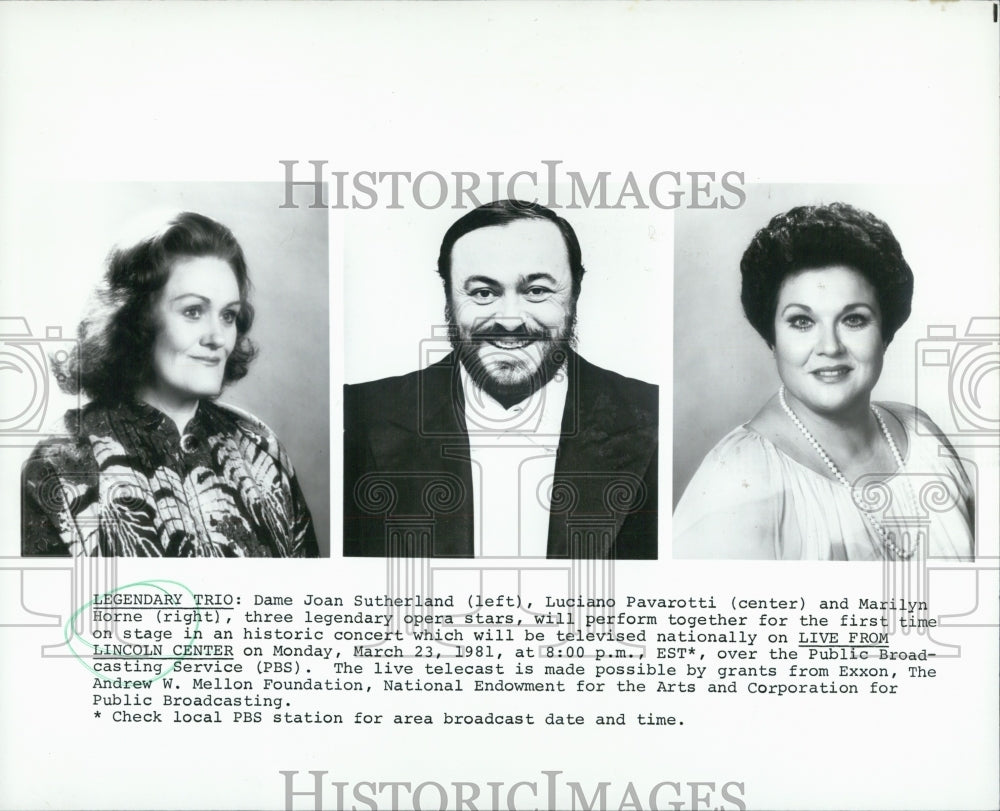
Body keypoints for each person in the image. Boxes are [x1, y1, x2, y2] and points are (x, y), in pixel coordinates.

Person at [344, 200, 658, 559]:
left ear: (576, 291)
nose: (510, 319)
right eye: (483, 293)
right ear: (448, 297)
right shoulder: (358, 415)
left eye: (537, 291)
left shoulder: (652, 415)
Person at [673, 202, 974, 560]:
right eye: (802, 322)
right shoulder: (738, 479)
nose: (829, 347)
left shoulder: (923, 436)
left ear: (885, 332)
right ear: (772, 337)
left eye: (854, 320)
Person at [21, 211, 319, 557]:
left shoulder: (260, 446)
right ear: (136, 318)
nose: (217, 337)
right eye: (193, 311)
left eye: (228, 315)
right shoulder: (60, 464)